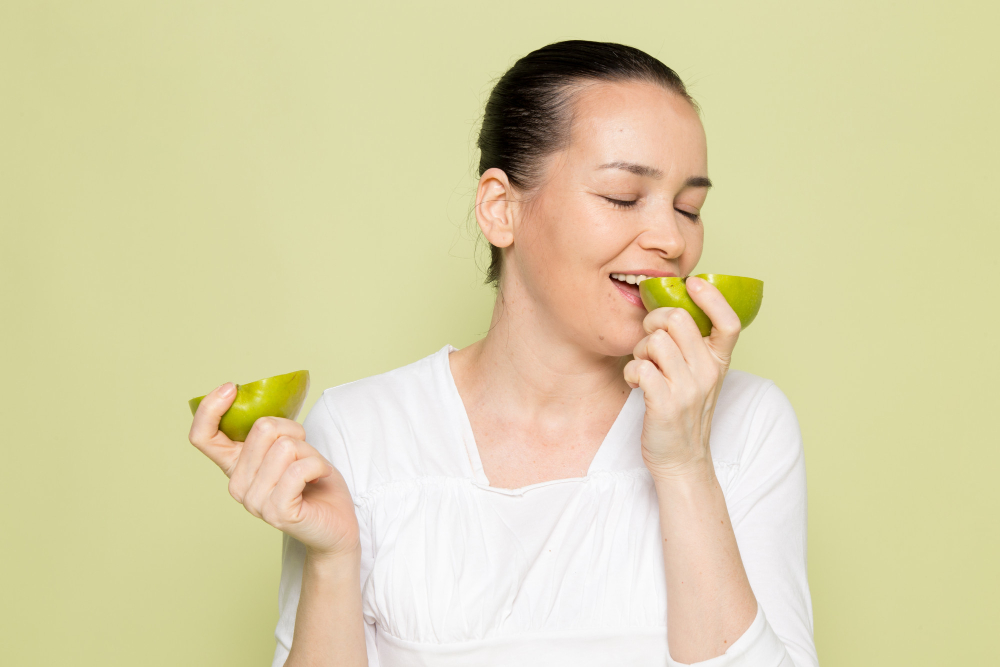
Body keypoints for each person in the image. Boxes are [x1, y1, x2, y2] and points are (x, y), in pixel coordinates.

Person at [189, 40, 818, 667]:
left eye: (690, 208)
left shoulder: (748, 424)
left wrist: (684, 465)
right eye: (624, 197)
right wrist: (332, 558)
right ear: (500, 209)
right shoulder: (358, 433)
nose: (672, 239)